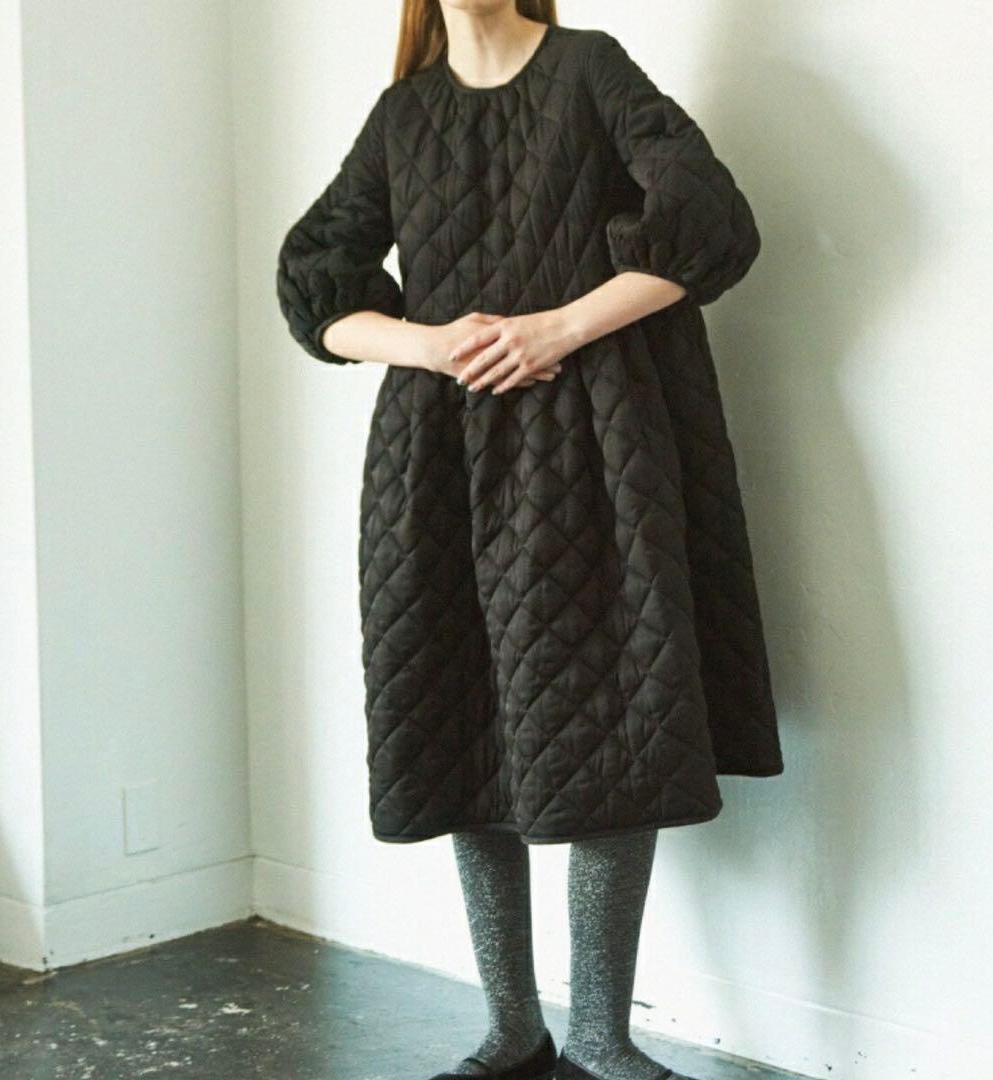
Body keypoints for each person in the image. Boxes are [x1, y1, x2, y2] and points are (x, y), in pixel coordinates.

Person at [275, 2, 785, 1077]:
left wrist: (560, 324)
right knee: (465, 719)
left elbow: (710, 219)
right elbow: (313, 277)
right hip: (438, 461)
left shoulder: (588, 68)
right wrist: (428, 342)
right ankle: (513, 1028)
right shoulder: (404, 114)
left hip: (592, 447)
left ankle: (599, 1035)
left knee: (610, 717)